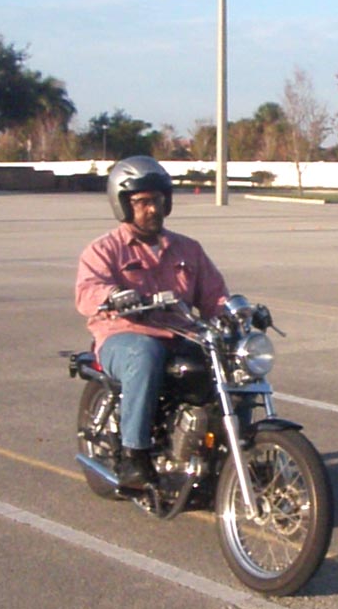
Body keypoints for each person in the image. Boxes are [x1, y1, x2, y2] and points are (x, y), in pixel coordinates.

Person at [75, 156, 229, 488]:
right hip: (123, 337)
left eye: (158, 201)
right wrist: (114, 294)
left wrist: (234, 313)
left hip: (180, 334)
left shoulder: (188, 249)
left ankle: (231, 448)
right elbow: (87, 292)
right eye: (142, 202)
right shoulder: (103, 250)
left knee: (230, 357)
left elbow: (215, 296)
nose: (152, 209)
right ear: (123, 205)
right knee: (145, 354)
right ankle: (135, 454)